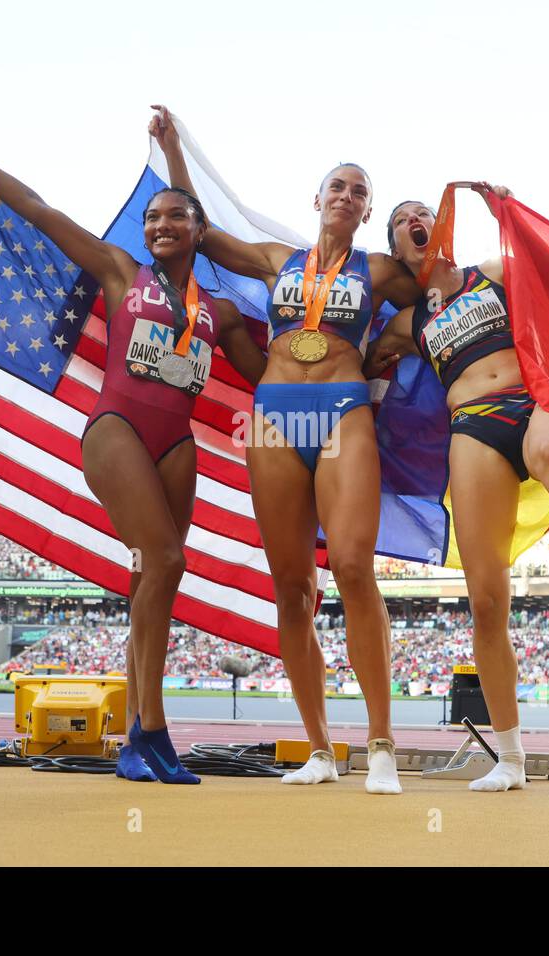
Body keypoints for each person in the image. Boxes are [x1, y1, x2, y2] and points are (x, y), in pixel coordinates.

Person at [0, 107, 266, 784]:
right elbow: (35, 208)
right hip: (115, 431)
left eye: (175, 217)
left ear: (200, 232)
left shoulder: (222, 314)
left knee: (157, 579)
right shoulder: (120, 272)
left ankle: (140, 740)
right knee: (165, 559)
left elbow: (268, 382)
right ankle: (151, 730)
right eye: (153, 219)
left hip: (177, 444)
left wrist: (341, 380)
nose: (161, 225)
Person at [151, 106, 421, 794]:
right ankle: (322, 750)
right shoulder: (278, 261)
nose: (349, 196)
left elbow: (435, 285)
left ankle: (382, 745)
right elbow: (201, 231)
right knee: (293, 590)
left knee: (355, 567)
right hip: (274, 417)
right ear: (318, 200)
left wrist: (421, 239)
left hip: (342, 413)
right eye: (340, 186)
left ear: (366, 213)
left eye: (361, 191)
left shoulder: (379, 269)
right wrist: (175, 148)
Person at [364, 186, 549, 792]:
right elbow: (359, 358)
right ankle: (513, 759)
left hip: (532, 399)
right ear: (395, 249)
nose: (416, 219)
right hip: (471, 424)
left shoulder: (490, 272)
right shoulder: (406, 323)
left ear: (442, 226)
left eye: (423, 212)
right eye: (401, 220)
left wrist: (505, 210)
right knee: (486, 601)